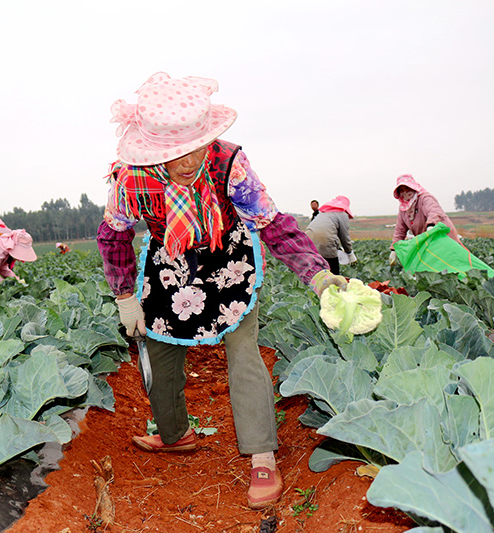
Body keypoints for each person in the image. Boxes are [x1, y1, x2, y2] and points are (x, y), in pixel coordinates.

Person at [96, 72, 347, 510]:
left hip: (228, 258)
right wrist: (124, 296)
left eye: (195, 147)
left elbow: (275, 225)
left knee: (243, 349)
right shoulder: (131, 180)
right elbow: (113, 236)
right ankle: (174, 436)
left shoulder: (230, 164)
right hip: (169, 261)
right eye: (174, 154)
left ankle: (262, 454)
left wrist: (318, 276)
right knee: (158, 350)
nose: (188, 160)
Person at [389, 174, 462, 266]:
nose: (405, 193)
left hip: (443, 238)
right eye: (402, 191)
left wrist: (431, 225)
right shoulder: (404, 209)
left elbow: (434, 211)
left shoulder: (425, 198)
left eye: (408, 189)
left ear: (413, 188)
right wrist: (394, 249)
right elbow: (400, 230)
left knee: (448, 266)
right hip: (427, 243)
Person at [305, 196, 356, 275]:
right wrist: (350, 253)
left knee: (316, 272)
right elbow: (344, 237)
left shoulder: (323, 213)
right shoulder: (342, 214)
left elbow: (329, 230)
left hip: (308, 240)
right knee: (333, 271)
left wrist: (338, 248)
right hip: (325, 240)